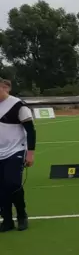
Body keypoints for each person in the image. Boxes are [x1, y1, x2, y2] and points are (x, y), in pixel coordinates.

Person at [0, 79, 35, 232]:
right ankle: (7, 220)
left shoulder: (18, 105)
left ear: (4, 88)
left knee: (12, 184)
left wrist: (30, 154)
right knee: (1, 188)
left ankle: (22, 215)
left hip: (15, 150)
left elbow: (31, 131)